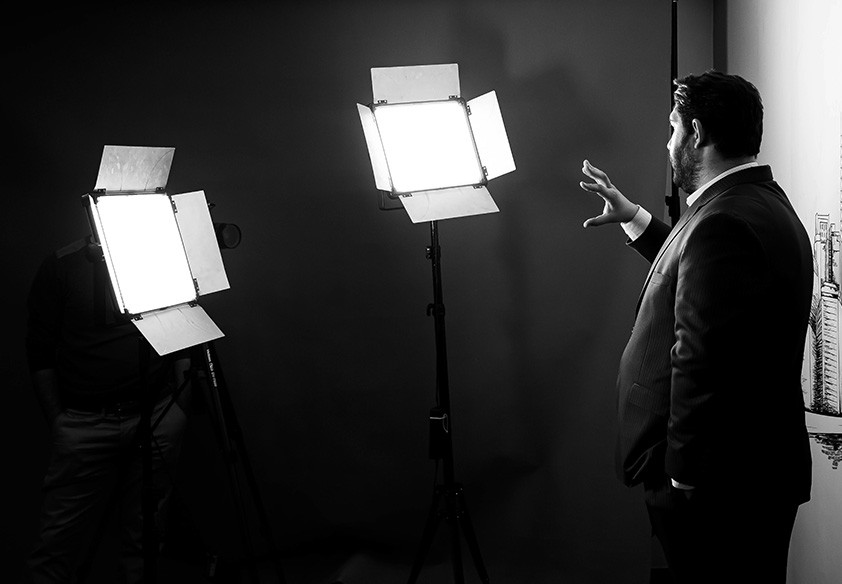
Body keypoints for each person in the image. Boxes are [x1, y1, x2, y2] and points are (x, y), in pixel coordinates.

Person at [578, 71, 813, 583]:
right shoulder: (757, 202)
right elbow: (703, 281)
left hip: (715, 487)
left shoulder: (723, 222)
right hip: (753, 471)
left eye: (673, 128)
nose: (669, 143)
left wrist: (684, 475)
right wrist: (634, 217)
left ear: (698, 133)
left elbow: (700, 358)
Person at [23, 235, 190, 583]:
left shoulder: (162, 251)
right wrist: (60, 421)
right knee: (57, 543)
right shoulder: (62, 264)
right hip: (84, 421)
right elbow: (40, 351)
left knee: (146, 537)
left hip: (155, 415)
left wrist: (179, 408)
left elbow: (184, 328)